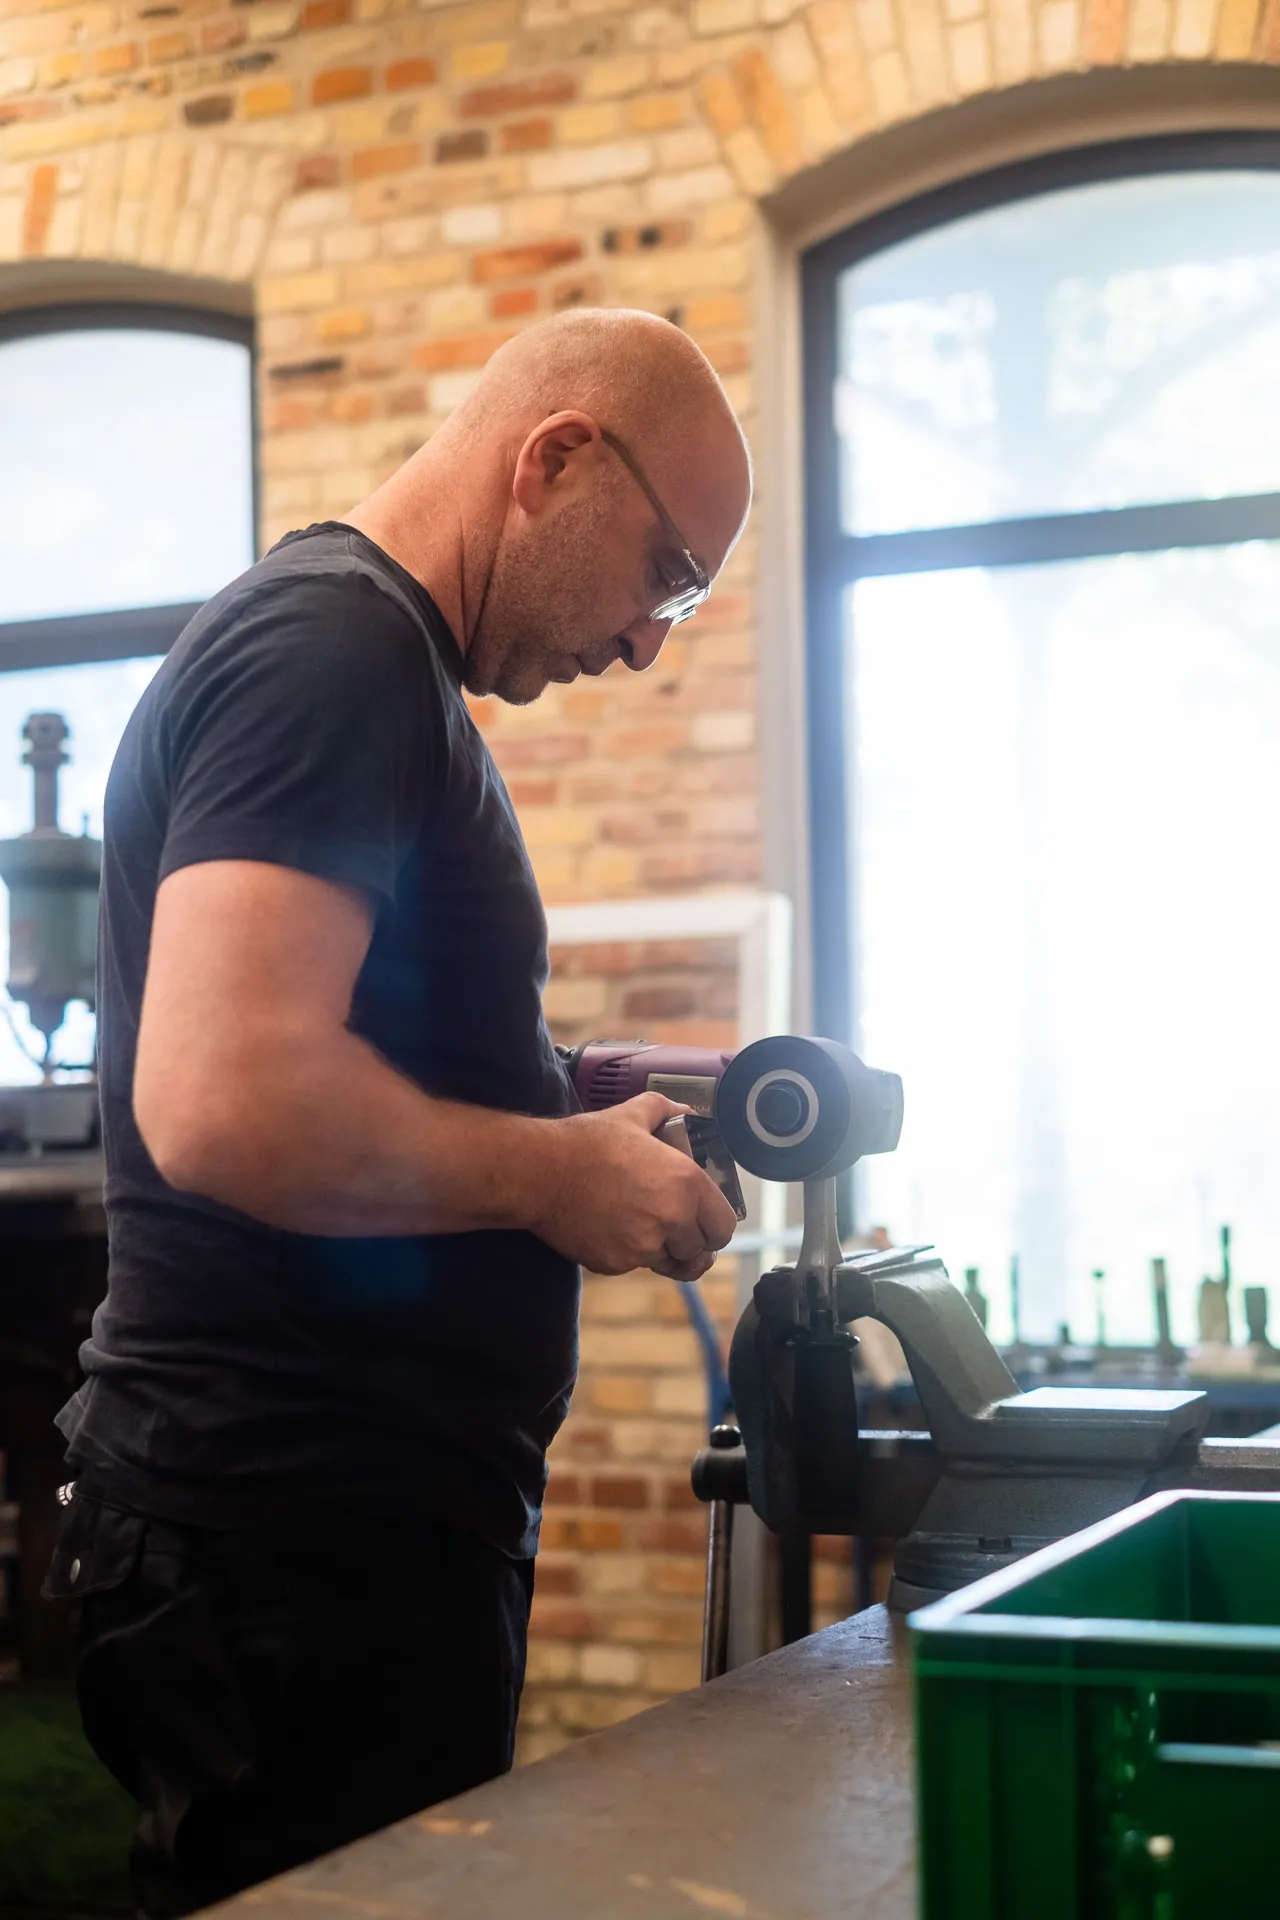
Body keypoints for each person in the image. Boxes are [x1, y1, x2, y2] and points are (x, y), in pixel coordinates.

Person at [43, 308, 753, 1917]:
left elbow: (332, 1043)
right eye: (667, 572)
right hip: (289, 1545)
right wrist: (549, 1176)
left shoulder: (372, 667)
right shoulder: (335, 653)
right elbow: (227, 1099)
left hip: (336, 1548)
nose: (650, 642)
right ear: (555, 457)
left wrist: (565, 1098)